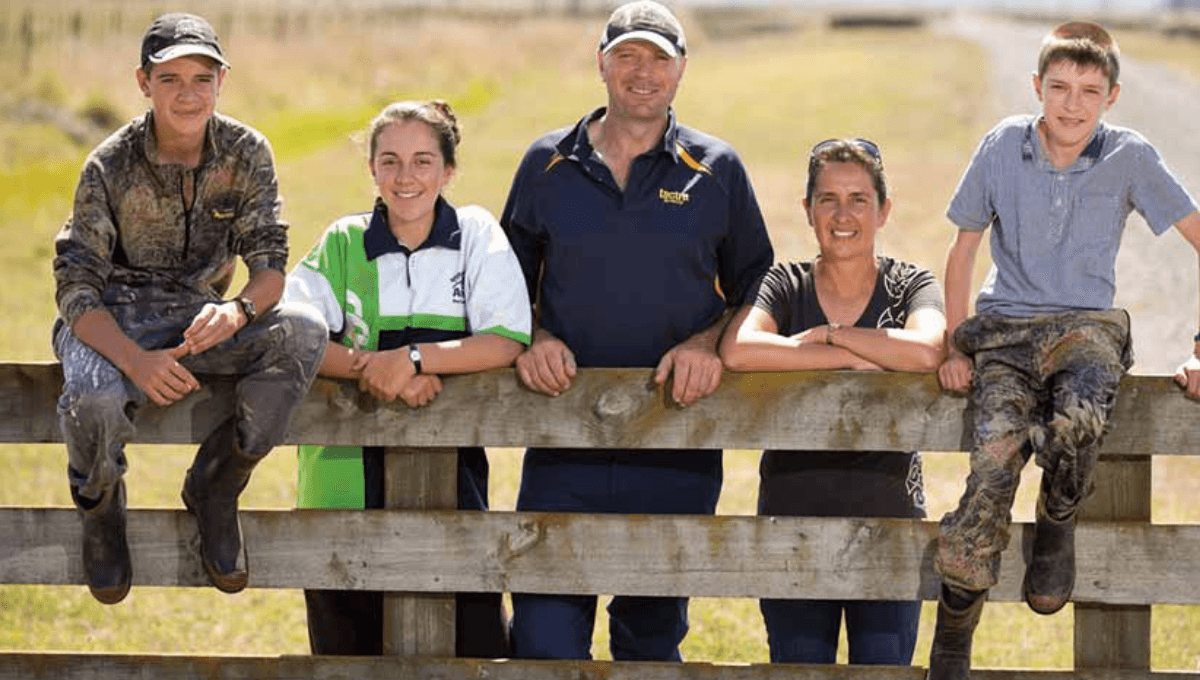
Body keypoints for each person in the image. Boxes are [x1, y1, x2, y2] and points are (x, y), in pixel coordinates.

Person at [499, 0, 774, 661]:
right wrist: (534, 336)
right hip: (562, 435)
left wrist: (707, 343)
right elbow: (502, 283)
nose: (642, 72)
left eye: (658, 58)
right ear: (601, 64)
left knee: (648, 640)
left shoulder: (717, 168)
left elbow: (757, 286)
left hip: (674, 437)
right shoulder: (546, 163)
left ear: (681, 69)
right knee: (544, 636)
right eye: (627, 56)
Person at [929, 21, 1200, 679]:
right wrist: (955, 345)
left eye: (1088, 91)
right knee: (991, 467)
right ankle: (955, 630)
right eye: (1058, 88)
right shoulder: (1002, 145)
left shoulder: (1129, 155)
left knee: (1079, 423)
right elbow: (963, 251)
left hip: (1086, 327)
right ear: (1037, 87)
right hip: (1006, 333)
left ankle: (1058, 516)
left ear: (1111, 96)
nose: (1072, 104)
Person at [52, 12, 328, 605]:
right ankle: (100, 507)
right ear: (143, 83)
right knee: (93, 399)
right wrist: (136, 361)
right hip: (112, 315)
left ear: (221, 81)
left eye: (202, 78)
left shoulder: (247, 152)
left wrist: (237, 312)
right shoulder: (108, 164)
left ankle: (218, 483)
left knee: (304, 330)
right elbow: (76, 291)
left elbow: (270, 266)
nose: (188, 94)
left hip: (198, 314)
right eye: (169, 79)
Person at [284, 100, 530, 657]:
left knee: (475, 648)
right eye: (390, 161)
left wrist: (415, 358)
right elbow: (291, 334)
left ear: (449, 170)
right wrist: (376, 368)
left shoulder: (475, 235)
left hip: (452, 488)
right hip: (341, 483)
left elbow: (506, 338)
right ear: (371, 169)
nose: (405, 176)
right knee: (349, 656)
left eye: (423, 161)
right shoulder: (343, 241)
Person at [720, 138, 946, 665]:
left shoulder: (910, 284)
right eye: (828, 200)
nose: (843, 215)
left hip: (890, 522)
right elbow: (739, 349)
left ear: (883, 210)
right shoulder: (785, 284)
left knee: (884, 671)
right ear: (808, 210)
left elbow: (928, 351)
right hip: (793, 520)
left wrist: (829, 335)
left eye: (858, 200)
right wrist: (849, 357)